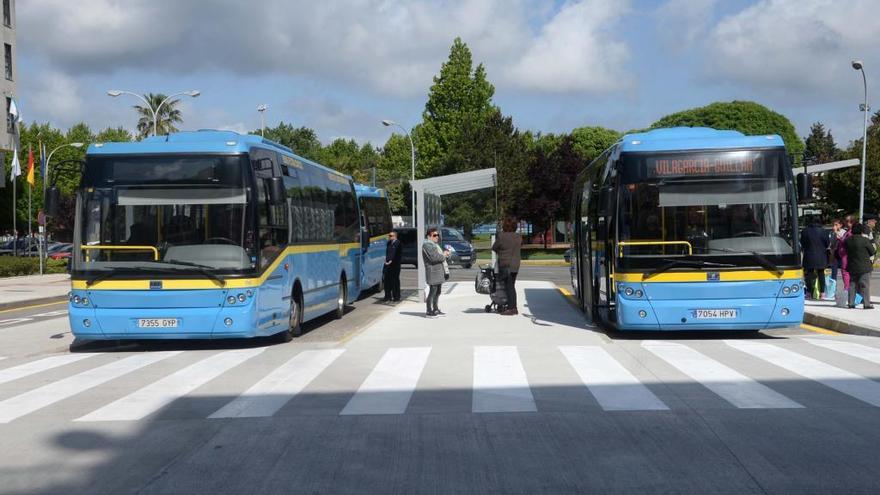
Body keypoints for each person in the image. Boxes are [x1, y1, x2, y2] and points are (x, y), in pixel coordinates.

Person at [492, 217, 522, 315]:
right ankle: (513, 307)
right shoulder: (518, 237)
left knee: (509, 287)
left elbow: (494, 247)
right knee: (512, 286)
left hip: (506, 264)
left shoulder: (502, 236)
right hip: (515, 265)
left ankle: (511, 308)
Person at [845, 223, 875, 309]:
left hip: (852, 265)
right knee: (864, 285)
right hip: (864, 265)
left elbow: (846, 250)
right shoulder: (865, 240)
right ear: (861, 231)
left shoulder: (848, 240)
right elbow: (872, 251)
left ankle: (851, 303)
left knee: (852, 284)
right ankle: (866, 304)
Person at [422, 228, 449, 317]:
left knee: (438, 292)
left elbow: (439, 256)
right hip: (433, 272)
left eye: (438, 235)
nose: (437, 237)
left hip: (438, 272)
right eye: (434, 235)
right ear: (429, 236)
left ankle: (435, 309)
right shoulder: (427, 245)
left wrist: (445, 254)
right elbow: (434, 258)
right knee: (432, 292)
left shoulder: (434, 245)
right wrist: (444, 255)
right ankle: (429, 311)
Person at [800, 215, 829, 299]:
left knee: (808, 274)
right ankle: (822, 293)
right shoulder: (823, 231)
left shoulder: (805, 231)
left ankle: (809, 292)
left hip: (809, 254)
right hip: (821, 255)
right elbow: (827, 244)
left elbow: (802, 243)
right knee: (821, 274)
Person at [383, 230, 402, 302]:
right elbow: (387, 253)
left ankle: (396, 296)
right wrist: (386, 260)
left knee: (395, 281)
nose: (389, 237)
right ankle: (387, 296)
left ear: (395, 236)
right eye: (389, 236)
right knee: (387, 281)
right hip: (388, 265)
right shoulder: (389, 243)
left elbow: (396, 254)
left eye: (391, 236)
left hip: (395, 265)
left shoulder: (398, 243)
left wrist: (391, 261)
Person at [829, 218, 845, 284]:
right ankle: (833, 288)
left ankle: (846, 287)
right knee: (833, 272)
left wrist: (836, 233)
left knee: (844, 272)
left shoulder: (843, 232)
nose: (834, 226)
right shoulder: (831, 232)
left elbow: (844, 240)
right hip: (834, 253)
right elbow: (831, 243)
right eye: (833, 225)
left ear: (840, 225)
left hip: (842, 254)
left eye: (836, 225)